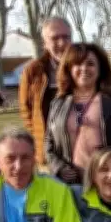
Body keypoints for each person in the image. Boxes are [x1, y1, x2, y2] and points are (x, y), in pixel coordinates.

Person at [44, 43, 111, 185]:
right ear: (69, 68)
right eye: (77, 64)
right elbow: (49, 144)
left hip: (109, 185)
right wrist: (59, 168)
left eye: (90, 64)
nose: (84, 69)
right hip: (71, 186)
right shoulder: (58, 103)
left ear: (100, 69)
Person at [19, 17, 73, 165]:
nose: (62, 43)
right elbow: (26, 110)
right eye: (55, 38)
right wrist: (39, 138)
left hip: (79, 151)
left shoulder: (83, 68)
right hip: (48, 155)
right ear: (45, 44)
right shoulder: (33, 71)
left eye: (66, 37)